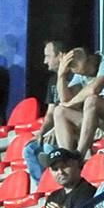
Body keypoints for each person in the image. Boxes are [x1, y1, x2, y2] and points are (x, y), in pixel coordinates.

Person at [52, 47, 104, 157]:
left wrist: (71, 103)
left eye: (85, 72)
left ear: (91, 59)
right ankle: (67, 158)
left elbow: (94, 89)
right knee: (59, 111)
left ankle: (79, 155)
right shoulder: (81, 73)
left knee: (92, 100)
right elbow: (65, 100)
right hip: (99, 123)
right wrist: (61, 75)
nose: (84, 76)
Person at [23, 41, 66, 181]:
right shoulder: (53, 81)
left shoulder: (75, 76)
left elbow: (75, 109)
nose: (44, 61)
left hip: (71, 129)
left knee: (49, 146)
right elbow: (50, 113)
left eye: (48, 56)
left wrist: (56, 130)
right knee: (30, 149)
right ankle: (42, 186)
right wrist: (41, 132)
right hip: (55, 128)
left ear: (60, 56)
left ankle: (57, 184)